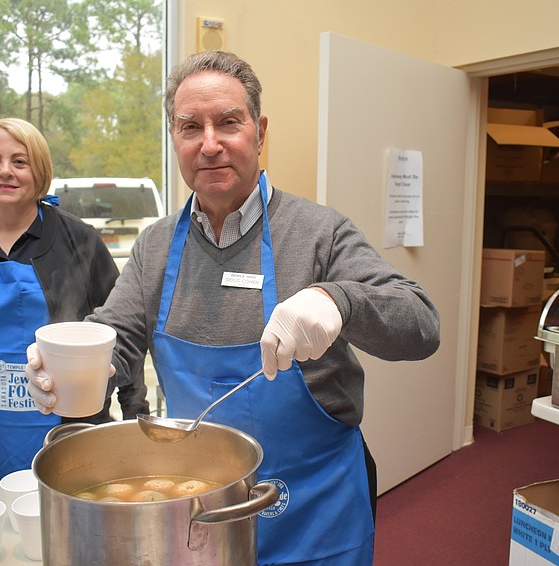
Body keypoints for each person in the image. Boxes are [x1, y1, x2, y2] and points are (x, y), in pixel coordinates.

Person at [26, 51, 440, 565]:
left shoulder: (319, 234)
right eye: (190, 127)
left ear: (260, 132)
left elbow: (421, 322)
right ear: (174, 140)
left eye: (228, 122)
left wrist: (338, 299)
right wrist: (70, 371)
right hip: (199, 519)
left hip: (316, 515)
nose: (210, 144)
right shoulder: (155, 247)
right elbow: (118, 338)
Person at [0, 117, 142, 484]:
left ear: (39, 172)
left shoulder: (81, 242)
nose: (5, 172)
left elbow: (123, 331)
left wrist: (136, 416)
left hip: (73, 430)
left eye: (19, 162)